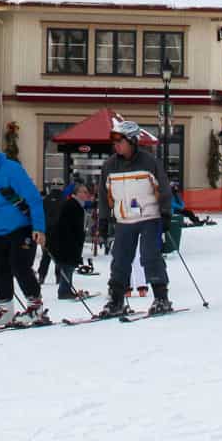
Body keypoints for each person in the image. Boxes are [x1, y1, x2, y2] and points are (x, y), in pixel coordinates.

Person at [95, 120, 173, 318]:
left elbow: (163, 188)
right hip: (124, 220)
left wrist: (165, 213)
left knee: (150, 256)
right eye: (114, 142)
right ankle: (116, 300)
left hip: (149, 217)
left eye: (120, 141)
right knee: (120, 259)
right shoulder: (110, 165)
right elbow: (104, 195)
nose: (116, 145)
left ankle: (161, 297)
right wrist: (103, 220)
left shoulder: (149, 162)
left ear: (131, 141)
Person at [0, 132, 48, 327]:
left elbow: (34, 199)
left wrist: (39, 227)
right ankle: (5, 309)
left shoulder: (11, 169)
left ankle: (35, 307)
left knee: (20, 265)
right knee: (0, 271)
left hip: (21, 227)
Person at [48, 181, 92, 299]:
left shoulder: (78, 206)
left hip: (72, 243)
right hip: (67, 243)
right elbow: (66, 226)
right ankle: (64, 291)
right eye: (84, 192)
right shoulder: (72, 205)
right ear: (76, 193)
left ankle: (66, 289)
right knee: (67, 266)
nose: (86, 194)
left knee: (70, 266)